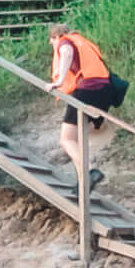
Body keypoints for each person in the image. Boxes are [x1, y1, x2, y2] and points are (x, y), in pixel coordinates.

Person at [50, 24, 119, 176]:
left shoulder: (65, 42)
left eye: (52, 41)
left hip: (88, 90)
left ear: (56, 37)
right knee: (76, 139)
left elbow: (66, 53)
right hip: (105, 90)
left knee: (66, 139)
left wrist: (59, 81)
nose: (53, 45)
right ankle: (83, 182)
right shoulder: (82, 42)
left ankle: (89, 172)